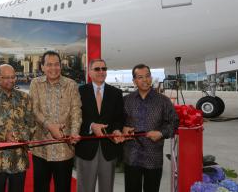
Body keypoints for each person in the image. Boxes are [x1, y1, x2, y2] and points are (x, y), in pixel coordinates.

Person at [30, 51, 82, 192]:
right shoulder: (35, 83)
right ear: (42, 67)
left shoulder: (71, 85)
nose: (53, 68)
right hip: (41, 148)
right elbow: (34, 110)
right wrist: (49, 126)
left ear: (61, 65)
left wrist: (74, 133)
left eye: (57, 64)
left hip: (64, 149)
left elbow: (76, 111)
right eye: (49, 65)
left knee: (63, 188)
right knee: (40, 188)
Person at [122, 64, 179, 192]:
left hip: (153, 157)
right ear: (134, 81)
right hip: (132, 156)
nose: (145, 80)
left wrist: (161, 133)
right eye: (140, 77)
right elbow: (118, 122)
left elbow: (174, 122)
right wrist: (123, 128)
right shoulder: (126, 100)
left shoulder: (163, 101)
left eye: (147, 76)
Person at [75, 59, 124, 192]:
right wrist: (91, 126)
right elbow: (75, 118)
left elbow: (119, 118)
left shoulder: (116, 93)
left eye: (104, 68)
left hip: (108, 149)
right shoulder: (79, 92)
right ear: (90, 72)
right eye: (97, 69)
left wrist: (116, 130)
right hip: (85, 149)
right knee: (85, 188)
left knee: (107, 188)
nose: (101, 71)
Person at [0, 64, 35, 192]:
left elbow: (32, 125)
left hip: (19, 160)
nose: (11, 80)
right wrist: (3, 136)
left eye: (13, 77)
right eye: (6, 77)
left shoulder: (25, 98)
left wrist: (18, 136)